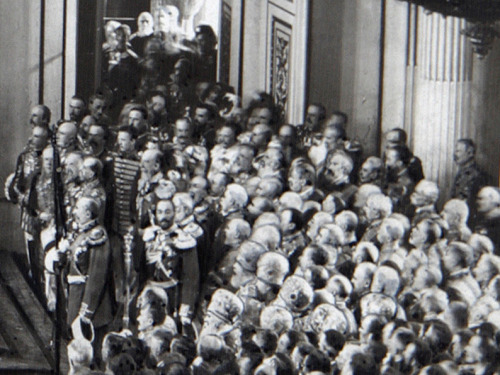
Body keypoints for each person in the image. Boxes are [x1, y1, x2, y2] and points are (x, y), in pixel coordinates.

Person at [142, 199, 199, 326]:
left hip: (172, 297)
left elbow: (191, 277)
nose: (163, 216)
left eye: (167, 212)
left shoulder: (183, 239)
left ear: (174, 213)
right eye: (160, 212)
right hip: (150, 294)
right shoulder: (150, 236)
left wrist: (186, 307)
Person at [450, 139, 486, 217]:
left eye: (458, 151)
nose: (455, 155)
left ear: (469, 153)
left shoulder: (476, 175)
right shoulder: (462, 172)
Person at [474, 186, 500, 254]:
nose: (477, 202)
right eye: (477, 199)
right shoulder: (479, 221)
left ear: (493, 200)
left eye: (481, 199)